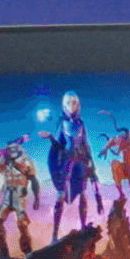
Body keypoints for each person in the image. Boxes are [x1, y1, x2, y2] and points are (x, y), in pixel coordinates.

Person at [40, 92, 102, 240]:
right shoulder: (62, 123)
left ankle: (82, 227)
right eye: (70, 103)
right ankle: (54, 234)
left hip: (80, 162)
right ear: (65, 104)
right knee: (61, 194)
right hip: (67, 163)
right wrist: (49, 137)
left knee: (83, 193)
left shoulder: (81, 124)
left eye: (75, 103)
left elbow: (86, 144)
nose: (72, 106)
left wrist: (91, 163)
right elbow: (58, 144)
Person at [0, 136, 40, 259]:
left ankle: (28, 252)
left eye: (14, 148)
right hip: (7, 198)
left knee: (22, 224)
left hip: (19, 197)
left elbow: (34, 181)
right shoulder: (4, 162)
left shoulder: (26, 162)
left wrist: (37, 198)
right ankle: (3, 254)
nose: (11, 151)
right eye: (9, 149)